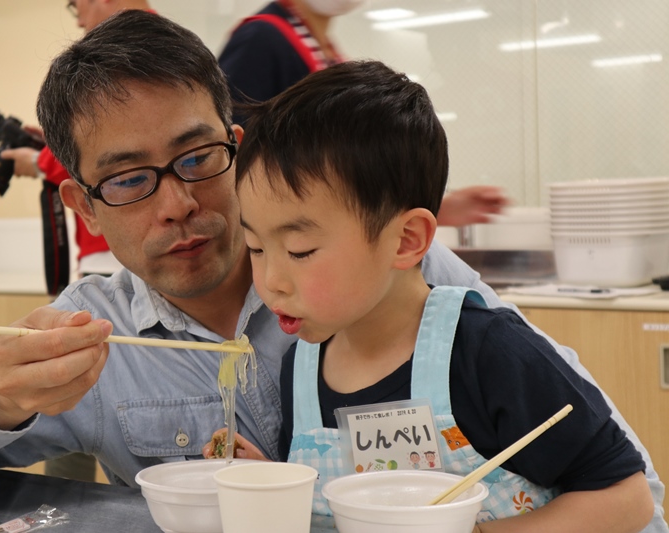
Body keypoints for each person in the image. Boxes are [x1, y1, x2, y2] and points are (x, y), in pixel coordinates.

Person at [0, 13, 665, 532]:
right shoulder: (91, 335)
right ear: (83, 204)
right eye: (130, 178)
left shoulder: (399, 283)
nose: (179, 202)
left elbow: (629, 485)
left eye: (197, 157)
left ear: (237, 143)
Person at [201, 60, 654, 531]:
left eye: (300, 250)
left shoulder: (490, 352)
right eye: (255, 247)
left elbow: (627, 498)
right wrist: (266, 479)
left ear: (406, 239)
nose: (270, 279)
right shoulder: (300, 368)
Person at [218, 0, 507, 228]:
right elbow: (233, 159)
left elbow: (351, 174)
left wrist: (432, 208)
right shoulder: (261, 39)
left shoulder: (325, 50)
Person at [0, 0, 154, 278]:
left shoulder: (127, 47)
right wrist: (57, 143)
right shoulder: (160, 44)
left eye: (75, 5)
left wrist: (39, 162)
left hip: (118, 257)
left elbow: (116, 153)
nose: (79, 22)